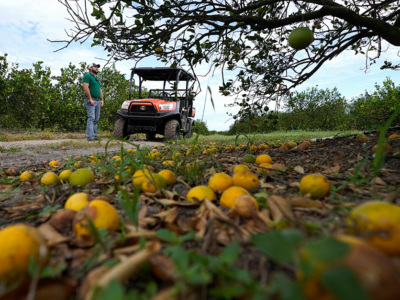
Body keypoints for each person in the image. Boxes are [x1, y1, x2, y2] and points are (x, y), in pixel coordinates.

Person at [82, 63, 104, 141]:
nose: (96, 68)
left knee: (96, 119)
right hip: (91, 100)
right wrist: (90, 99)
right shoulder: (87, 76)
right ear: (90, 68)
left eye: (97, 67)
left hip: (98, 101)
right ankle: (90, 136)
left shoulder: (97, 78)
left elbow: (100, 89)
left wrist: (102, 100)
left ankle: (94, 135)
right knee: (91, 118)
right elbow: (85, 87)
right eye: (95, 67)